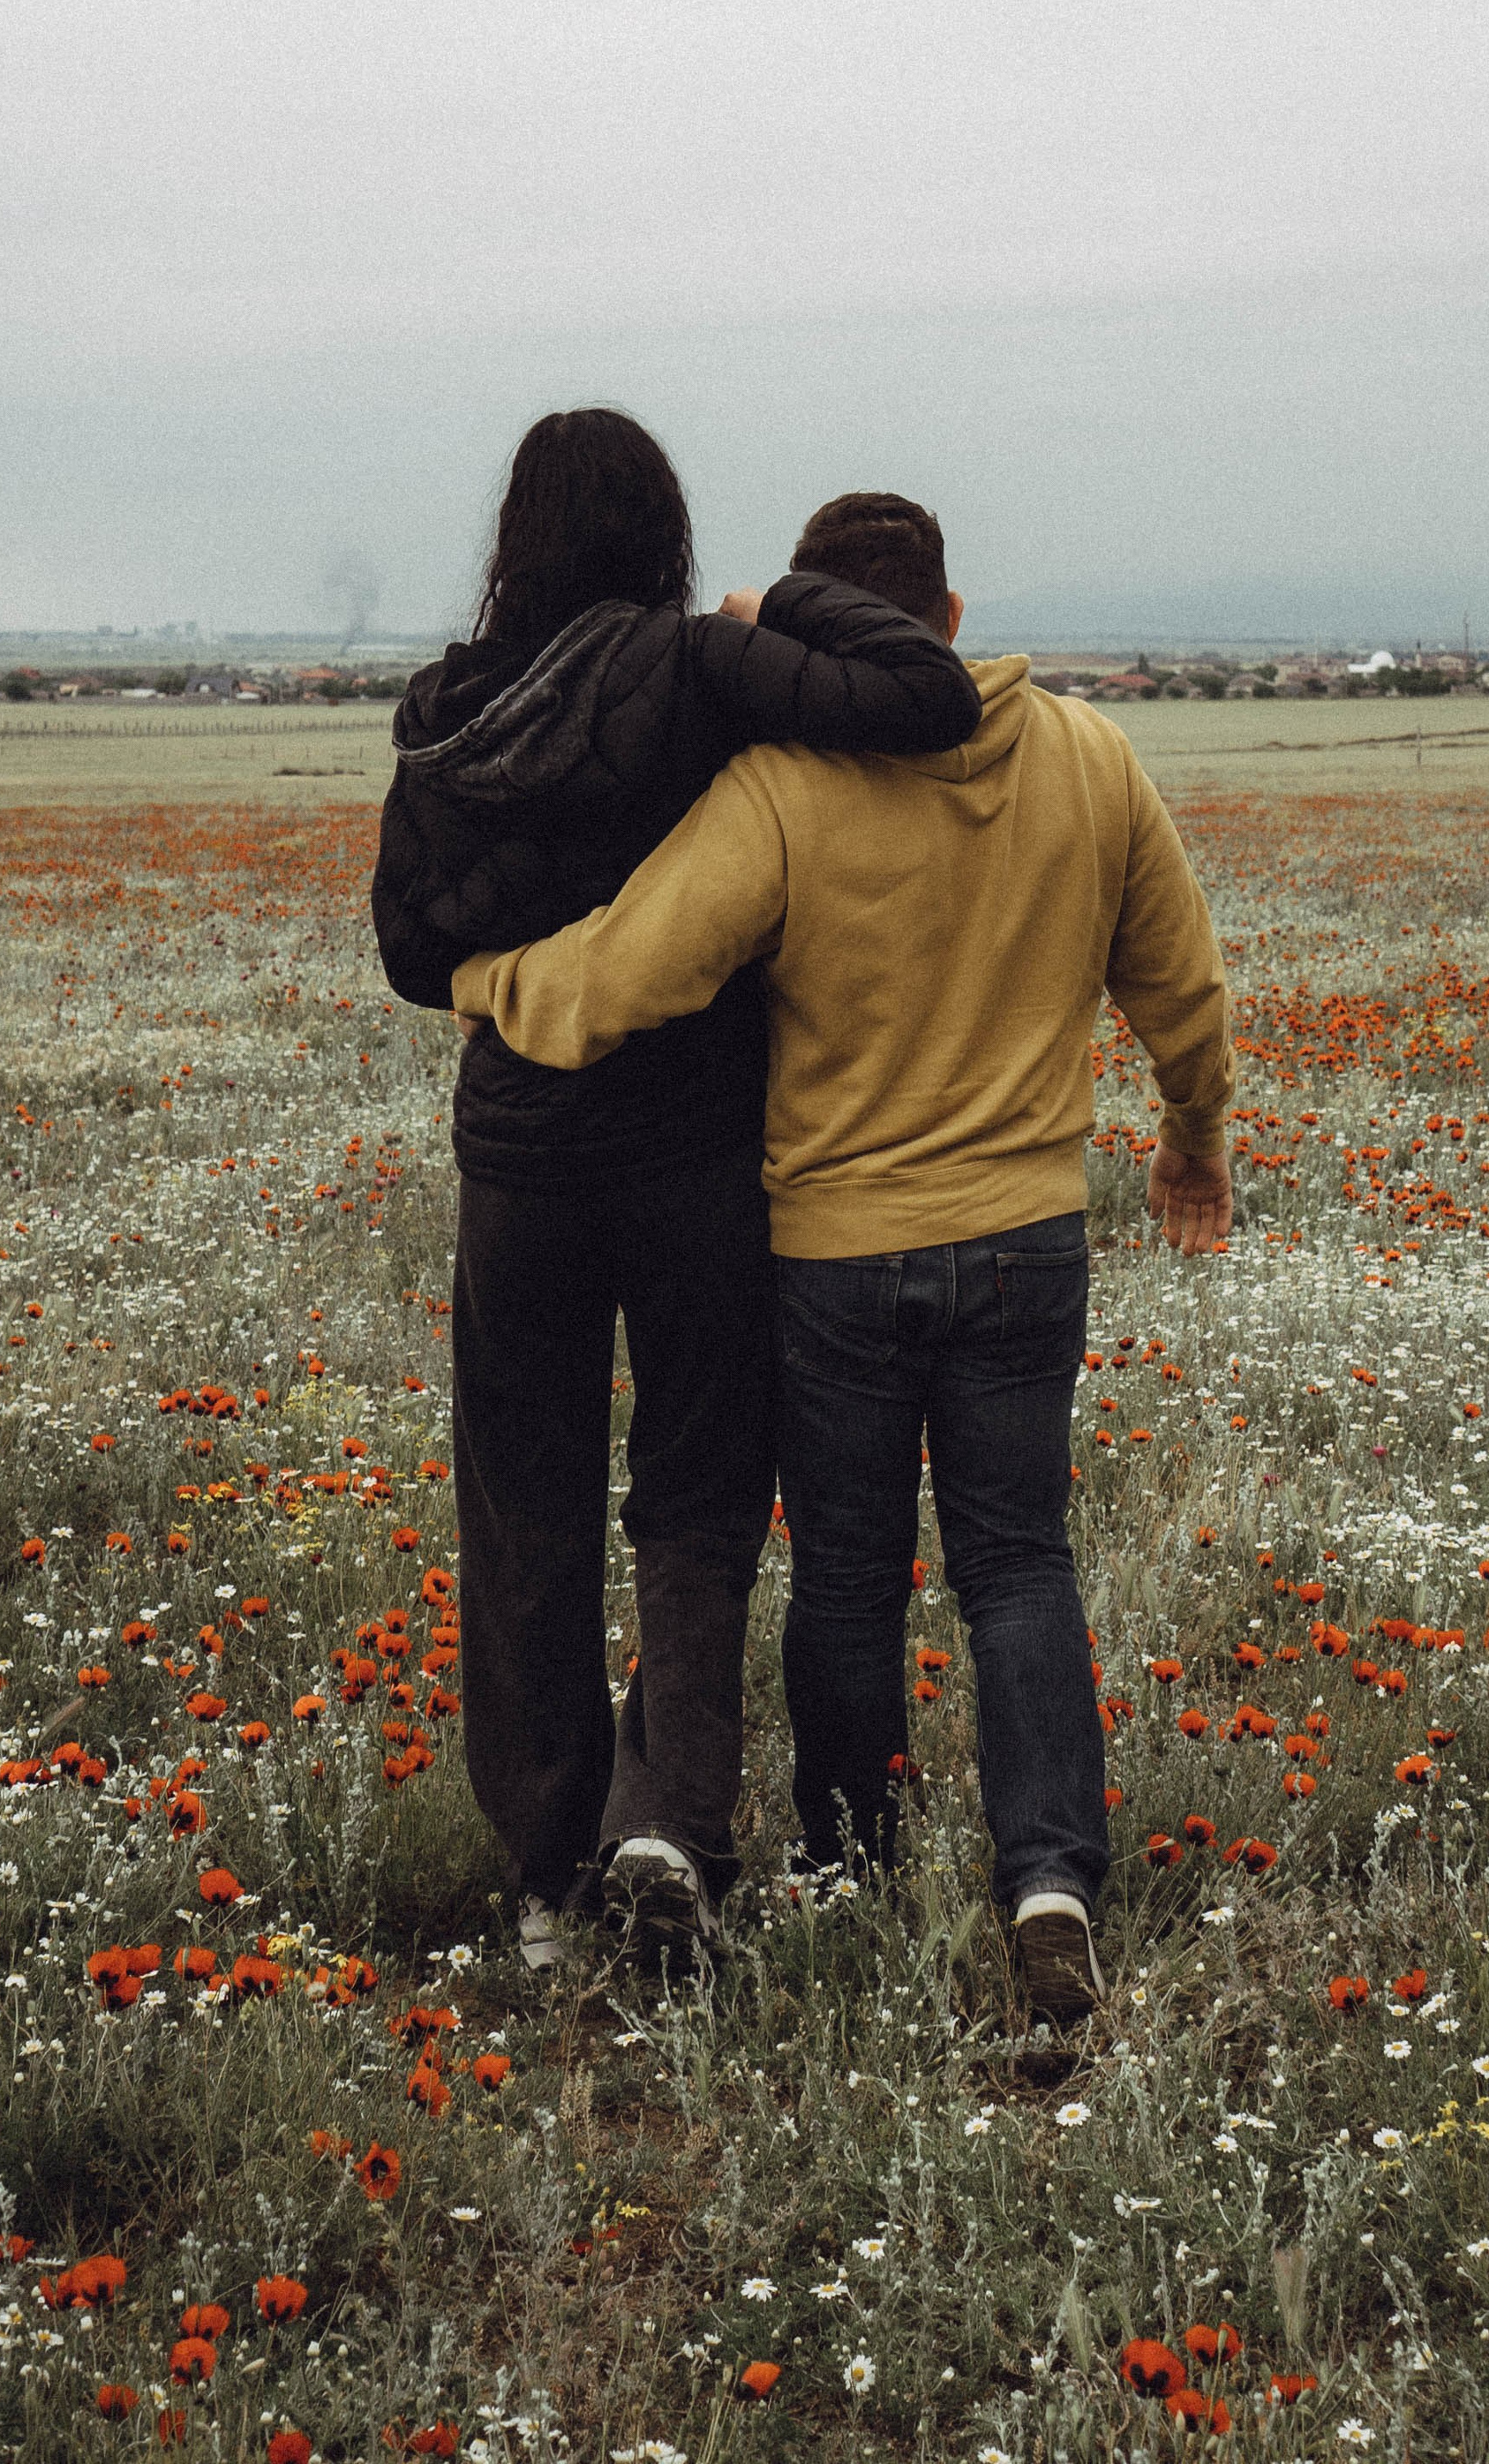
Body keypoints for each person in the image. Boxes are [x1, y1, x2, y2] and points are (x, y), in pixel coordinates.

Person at [452, 489, 1232, 2030]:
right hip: (1025, 1239)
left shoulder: (787, 789)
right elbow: (1183, 985)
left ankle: (853, 1864)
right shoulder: (1092, 758)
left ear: (821, 632)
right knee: (1020, 1564)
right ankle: (1050, 1883)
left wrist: (486, 979)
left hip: (834, 1257)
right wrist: (1193, 1138)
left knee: (853, 1581)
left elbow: (627, 974)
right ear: (943, 618)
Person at [372, 419, 981, 1973]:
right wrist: (783, 605)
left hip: (520, 1166)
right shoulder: (698, 670)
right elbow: (925, 694)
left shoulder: (447, 713)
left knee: (528, 1509)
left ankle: (550, 1876)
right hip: (699, 1159)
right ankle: (670, 1833)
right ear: (667, 529)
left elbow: (404, 953)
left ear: (514, 534)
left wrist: (516, 929)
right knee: (700, 1497)